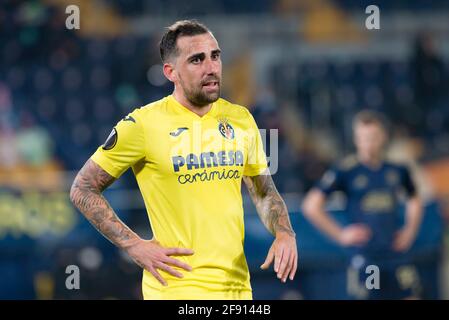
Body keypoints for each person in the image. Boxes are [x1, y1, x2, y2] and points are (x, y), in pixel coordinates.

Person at [70, 20, 297, 300]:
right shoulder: (143, 124)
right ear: (171, 72)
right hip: (176, 288)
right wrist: (132, 245)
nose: (211, 67)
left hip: (237, 289)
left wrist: (285, 233)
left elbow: (263, 192)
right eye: (196, 60)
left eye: (215, 56)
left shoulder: (241, 119)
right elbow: (82, 188)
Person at [302, 110, 423, 299]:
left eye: (373, 137)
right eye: (363, 137)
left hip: (395, 253)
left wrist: (410, 231)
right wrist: (341, 234)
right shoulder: (346, 171)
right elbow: (311, 205)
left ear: (383, 137)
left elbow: (414, 199)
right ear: (356, 139)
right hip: (366, 257)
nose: (368, 143)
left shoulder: (397, 170)